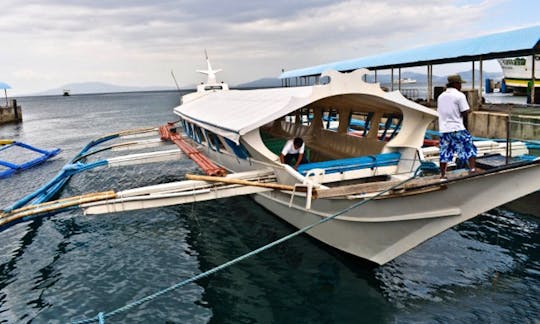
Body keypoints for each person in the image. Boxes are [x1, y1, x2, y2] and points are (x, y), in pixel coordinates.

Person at [437, 74, 477, 179]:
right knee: (469, 146)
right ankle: (472, 169)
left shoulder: (441, 96)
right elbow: (464, 112)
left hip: (444, 129)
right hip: (457, 128)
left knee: (444, 152)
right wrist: (469, 111)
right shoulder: (460, 95)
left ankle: (442, 175)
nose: (461, 86)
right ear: (455, 84)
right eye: (460, 84)